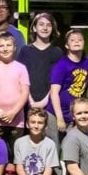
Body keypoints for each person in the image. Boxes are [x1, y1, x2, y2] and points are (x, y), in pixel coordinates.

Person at [17, 12, 64, 143]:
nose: (45, 28)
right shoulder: (25, 51)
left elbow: (57, 80)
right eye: (41, 24)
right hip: (27, 104)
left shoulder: (57, 52)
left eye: (48, 25)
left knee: (52, 143)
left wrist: (44, 100)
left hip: (50, 106)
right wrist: (30, 100)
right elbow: (21, 78)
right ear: (34, 28)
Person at [0, 30, 30, 146]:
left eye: (8, 45)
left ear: (14, 47)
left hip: (17, 120)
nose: (5, 48)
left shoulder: (21, 68)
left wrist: (13, 112)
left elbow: (25, 93)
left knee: (14, 154)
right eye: (1, 46)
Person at [13, 107, 58, 175]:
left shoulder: (50, 144)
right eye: (33, 122)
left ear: (45, 125)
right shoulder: (19, 142)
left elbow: (49, 168)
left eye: (40, 123)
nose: (36, 126)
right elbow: (19, 167)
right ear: (27, 124)